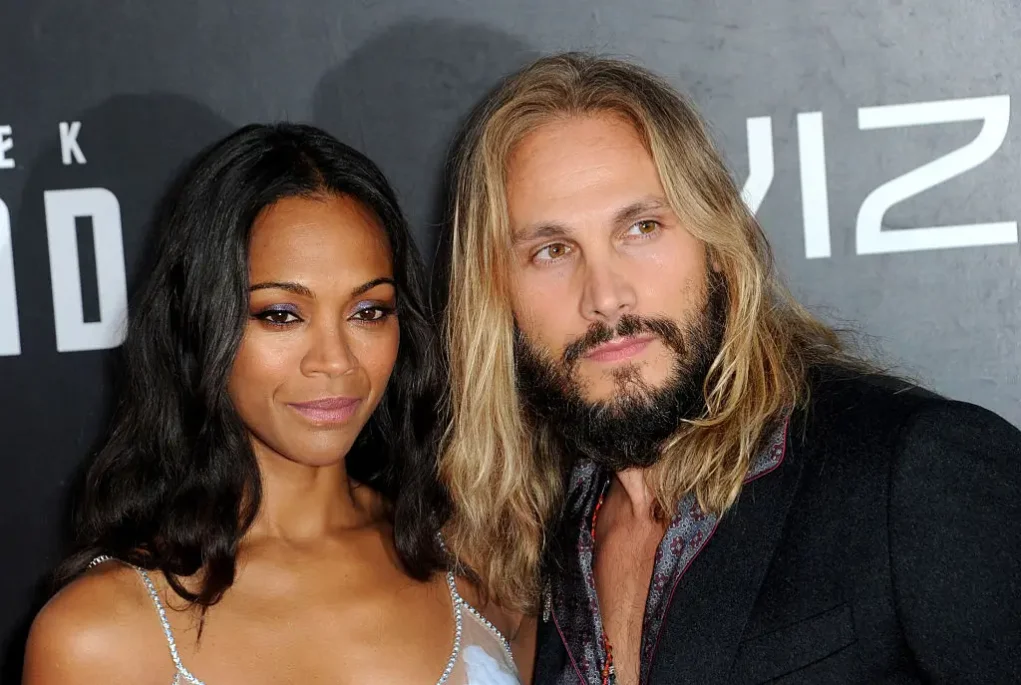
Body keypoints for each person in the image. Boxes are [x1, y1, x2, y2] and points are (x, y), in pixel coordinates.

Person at [437, 53, 1021, 684]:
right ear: (499, 295)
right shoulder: (532, 535)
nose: (605, 295)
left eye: (641, 227)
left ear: (717, 244)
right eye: (552, 251)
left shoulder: (915, 470)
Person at [23, 123, 523, 685]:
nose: (335, 361)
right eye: (281, 314)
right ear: (202, 324)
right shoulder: (98, 636)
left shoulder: (480, 565)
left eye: (369, 311)